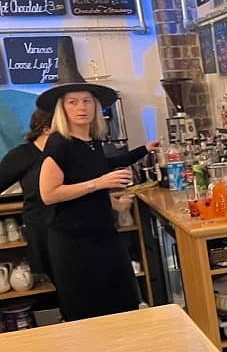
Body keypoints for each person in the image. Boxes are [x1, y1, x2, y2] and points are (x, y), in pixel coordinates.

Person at [37, 83, 156, 321]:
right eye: (73, 102)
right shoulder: (59, 143)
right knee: (88, 315)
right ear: (62, 108)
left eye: (87, 101)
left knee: (124, 303)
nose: (81, 107)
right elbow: (48, 194)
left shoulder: (92, 142)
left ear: (96, 106)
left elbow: (97, 171)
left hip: (103, 235)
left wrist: (111, 199)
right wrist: (99, 183)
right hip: (74, 244)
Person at [0, 109, 55, 278]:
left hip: (71, 228)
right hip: (43, 229)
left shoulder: (67, 152)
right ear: (46, 129)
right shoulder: (22, 155)